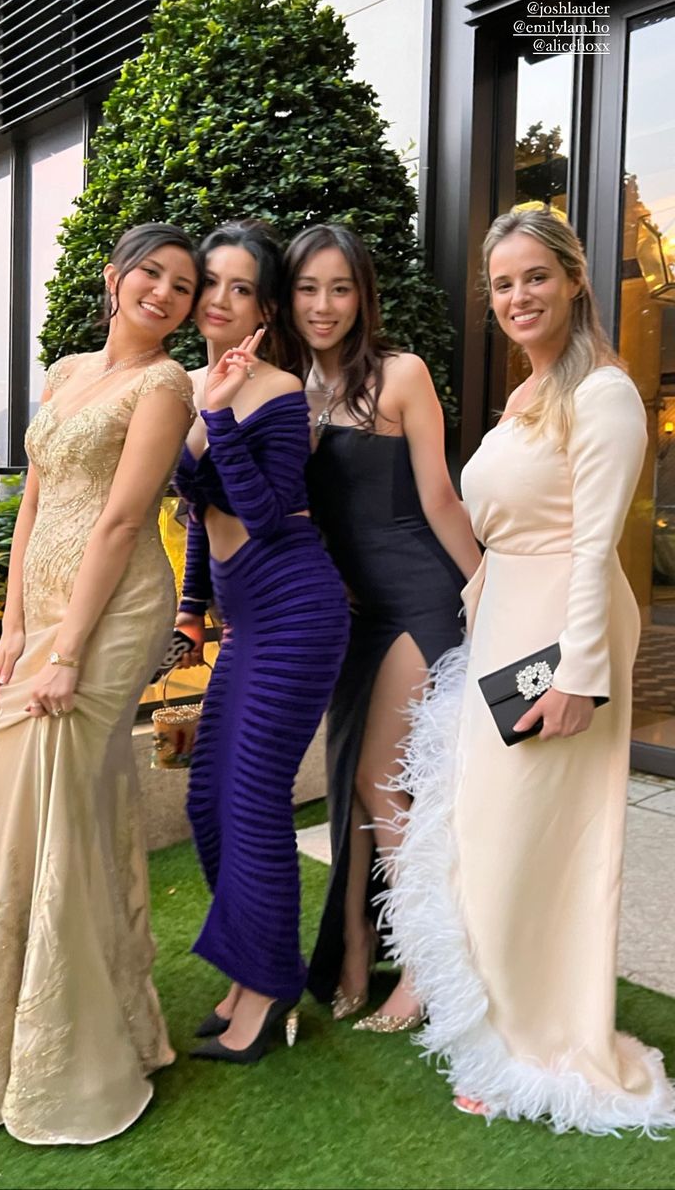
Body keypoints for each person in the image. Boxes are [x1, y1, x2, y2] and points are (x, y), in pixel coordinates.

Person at [383, 207, 675, 1133]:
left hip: (562, 635)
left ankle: (542, 1048)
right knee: (492, 837)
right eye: (503, 284)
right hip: (507, 628)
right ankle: (500, 1030)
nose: (518, 297)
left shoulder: (604, 394)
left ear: (575, 281)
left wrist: (579, 675)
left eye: (535, 277)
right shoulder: (529, 394)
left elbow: (595, 545)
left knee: (534, 844)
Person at [0, 223, 197, 1144]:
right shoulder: (65, 371)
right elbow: (36, 497)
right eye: (151, 274)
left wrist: (67, 651)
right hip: (46, 607)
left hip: (115, 609)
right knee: (28, 805)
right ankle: (37, 1020)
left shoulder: (164, 385)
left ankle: (72, 1050)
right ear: (114, 276)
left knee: (48, 802)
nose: (163, 293)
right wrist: (16, 625)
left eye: (182, 286)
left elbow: (122, 520)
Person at [279, 223, 481, 1030]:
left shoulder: (401, 374)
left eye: (340, 288)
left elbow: (441, 498)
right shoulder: (284, 389)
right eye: (308, 288)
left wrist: (485, 590)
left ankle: (425, 968)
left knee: (379, 781)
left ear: (363, 296)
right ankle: (356, 947)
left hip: (419, 599)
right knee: (352, 783)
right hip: (352, 615)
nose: (324, 305)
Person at [173, 220, 350, 1064]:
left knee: (251, 801)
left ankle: (269, 984)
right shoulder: (192, 384)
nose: (220, 299)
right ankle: (250, 969)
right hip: (246, 621)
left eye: (241, 288)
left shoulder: (276, 390)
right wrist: (191, 608)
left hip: (296, 611)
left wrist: (217, 416)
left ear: (264, 309)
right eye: (211, 281)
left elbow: (268, 513)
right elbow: (198, 512)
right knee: (208, 799)